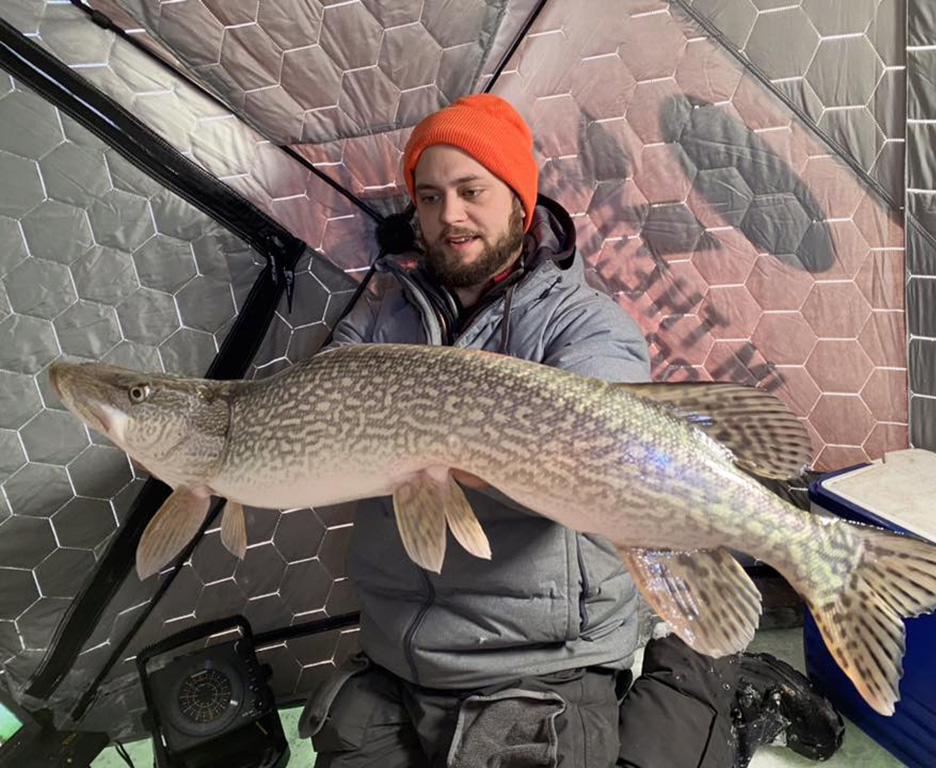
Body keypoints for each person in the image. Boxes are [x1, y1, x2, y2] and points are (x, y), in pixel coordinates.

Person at [299, 94, 839, 768]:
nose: (449, 216)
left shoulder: (588, 325)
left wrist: (445, 434)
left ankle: (695, 667)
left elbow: (606, 461)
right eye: (430, 198)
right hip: (394, 658)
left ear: (521, 203)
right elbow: (315, 409)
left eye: (472, 192)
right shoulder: (378, 321)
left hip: (540, 664)